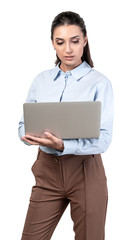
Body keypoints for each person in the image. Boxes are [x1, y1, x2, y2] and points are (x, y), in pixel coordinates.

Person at [18, 11, 114, 240]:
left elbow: (104, 138)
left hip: (85, 172)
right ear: (53, 43)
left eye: (75, 41)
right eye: (60, 42)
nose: (68, 49)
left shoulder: (99, 83)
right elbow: (23, 124)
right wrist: (28, 135)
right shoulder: (40, 80)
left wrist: (64, 144)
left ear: (85, 40)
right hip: (47, 170)